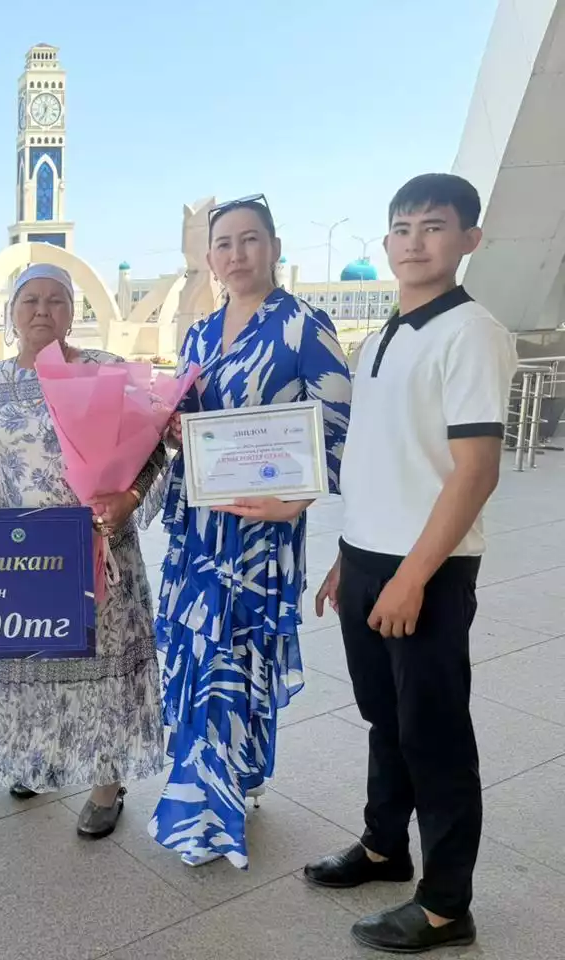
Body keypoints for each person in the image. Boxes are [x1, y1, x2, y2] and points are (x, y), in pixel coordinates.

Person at [304, 174, 517, 954]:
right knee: (384, 718)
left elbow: (475, 471)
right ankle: (384, 846)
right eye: (401, 228)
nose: (413, 242)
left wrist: (411, 576)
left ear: (469, 239)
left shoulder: (472, 332)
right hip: (369, 560)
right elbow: (379, 458)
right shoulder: (383, 337)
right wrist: (348, 555)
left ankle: (446, 905)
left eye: (434, 226)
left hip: (426, 568)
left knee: (434, 734)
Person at [148, 195, 352, 867]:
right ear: (209, 258)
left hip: (261, 530)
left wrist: (297, 500)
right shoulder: (199, 334)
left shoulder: (303, 326)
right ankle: (227, 777)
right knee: (202, 651)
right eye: (224, 244)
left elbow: (339, 424)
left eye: (250, 239)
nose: (236, 254)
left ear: (274, 247)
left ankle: (208, 813)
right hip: (200, 528)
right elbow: (187, 421)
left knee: (235, 652)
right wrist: (172, 429)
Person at [0, 264, 166, 837]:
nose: (43, 311)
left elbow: (150, 450)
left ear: (73, 312)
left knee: (98, 668)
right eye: (30, 300)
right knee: (30, 660)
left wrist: (128, 499)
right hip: (21, 555)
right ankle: (37, 760)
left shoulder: (102, 371)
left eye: (56, 300)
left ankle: (105, 783)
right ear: (11, 312)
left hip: (95, 546)